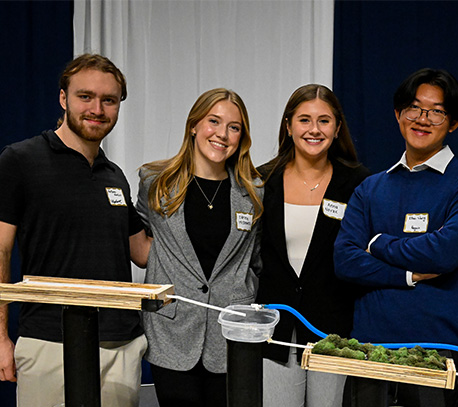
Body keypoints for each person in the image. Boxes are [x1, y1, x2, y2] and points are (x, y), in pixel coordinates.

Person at [334, 68, 458, 407]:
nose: (423, 119)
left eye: (437, 111)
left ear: (453, 123)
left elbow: (443, 253)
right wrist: (407, 275)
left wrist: (377, 245)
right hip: (367, 350)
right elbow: (345, 259)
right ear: (398, 114)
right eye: (414, 108)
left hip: (436, 352)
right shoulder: (370, 188)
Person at [0, 54, 150, 407]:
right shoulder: (20, 161)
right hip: (50, 342)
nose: (97, 108)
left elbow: (142, 251)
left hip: (119, 345)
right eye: (86, 96)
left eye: (109, 100)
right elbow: (1, 251)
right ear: (64, 98)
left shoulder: (115, 176)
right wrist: (1, 336)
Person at [136, 88, 263, 406]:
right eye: (214, 121)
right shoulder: (156, 182)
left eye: (234, 127)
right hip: (171, 331)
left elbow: (257, 259)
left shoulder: (255, 191)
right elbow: (140, 241)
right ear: (194, 125)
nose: (222, 134)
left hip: (232, 334)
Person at [255, 84, 369, 407]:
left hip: (336, 332)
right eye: (304, 120)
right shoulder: (261, 181)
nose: (314, 129)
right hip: (275, 332)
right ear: (288, 126)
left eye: (324, 120)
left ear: (337, 129)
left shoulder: (359, 183)